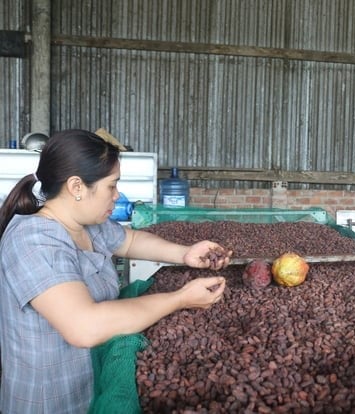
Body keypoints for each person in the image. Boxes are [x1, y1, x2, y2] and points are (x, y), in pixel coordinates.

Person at [0, 129, 232, 413]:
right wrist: (179, 299)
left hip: (94, 384)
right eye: (112, 185)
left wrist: (184, 253)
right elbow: (83, 327)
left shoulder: (84, 223)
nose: (117, 194)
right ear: (76, 187)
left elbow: (130, 240)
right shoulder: (33, 240)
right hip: (53, 399)